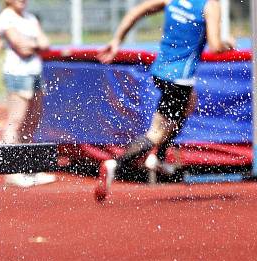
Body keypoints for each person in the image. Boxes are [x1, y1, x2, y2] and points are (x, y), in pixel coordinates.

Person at [94, 0, 235, 202]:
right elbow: (215, 46)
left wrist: (117, 40)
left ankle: (158, 157)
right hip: (179, 79)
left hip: (160, 73)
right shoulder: (209, 5)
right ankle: (115, 165)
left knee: (189, 103)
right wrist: (228, 43)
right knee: (156, 133)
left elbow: (136, 12)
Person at [0, 0, 53, 187]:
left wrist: (32, 44)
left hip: (35, 73)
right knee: (16, 121)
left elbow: (46, 43)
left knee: (32, 123)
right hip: (17, 74)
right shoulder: (7, 17)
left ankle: (30, 168)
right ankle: (11, 170)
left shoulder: (30, 18)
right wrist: (34, 43)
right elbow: (20, 47)